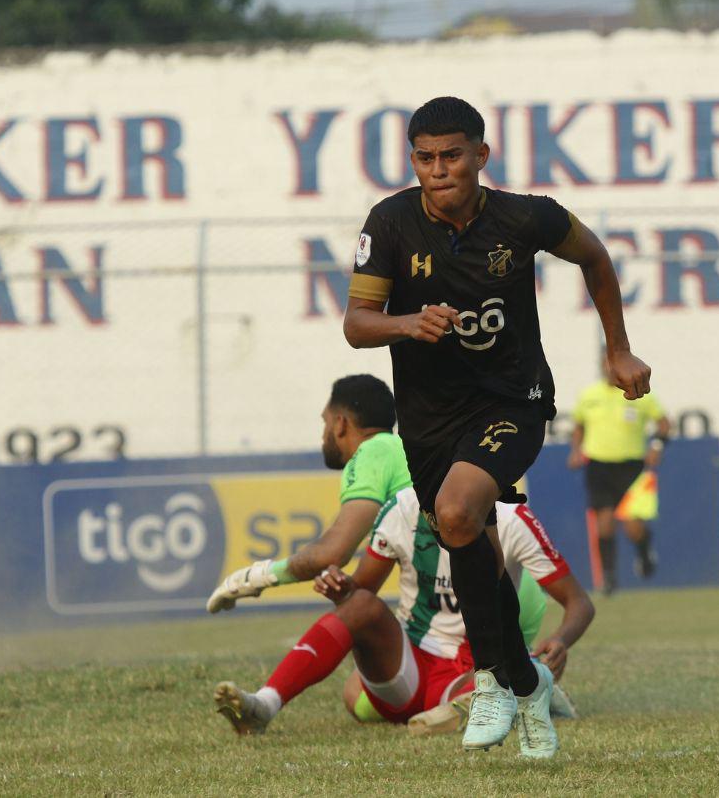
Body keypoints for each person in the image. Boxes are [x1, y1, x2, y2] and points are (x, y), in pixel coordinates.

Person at [343, 96, 651, 758]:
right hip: (427, 419)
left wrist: (619, 349)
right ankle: (524, 678)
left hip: (513, 399)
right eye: (424, 158)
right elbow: (356, 323)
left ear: (481, 156)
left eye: (452, 155)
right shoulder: (390, 224)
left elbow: (596, 257)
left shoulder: (524, 216)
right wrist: (406, 323)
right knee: (468, 540)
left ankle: (488, 683)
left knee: (456, 512)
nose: (438, 170)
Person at [214, 489, 593, 738]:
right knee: (360, 607)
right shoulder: (402, 508)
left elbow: (579, 604)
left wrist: (560, 641)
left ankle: (522, 692)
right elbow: (361, 593)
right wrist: (342, 589)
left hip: (474, 666)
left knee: (499, 680)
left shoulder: (512, 519)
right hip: (408, 667)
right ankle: (264, 704)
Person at [205, 372, 407, 618]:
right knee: (353, 606)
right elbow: (362, 592)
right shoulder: (400, 451)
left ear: (341, 423)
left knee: (353, 619)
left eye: (326, 422)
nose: (323, 435)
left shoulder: (370, 452)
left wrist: (254, 578)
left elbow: (331, 553)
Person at [568, 357, 671, 593]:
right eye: (605, 364)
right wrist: (576, 451)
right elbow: (579, 426)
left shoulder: (638, 394)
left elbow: (664, 423)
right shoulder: (589, 395)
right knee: (604, 524)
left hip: (632, 467)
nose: (609, 369)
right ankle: (609, 577)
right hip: (598, 466)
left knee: (633, 526)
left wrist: (657, 446)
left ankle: (645, 553)